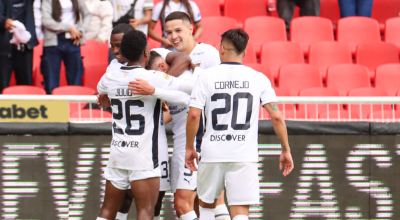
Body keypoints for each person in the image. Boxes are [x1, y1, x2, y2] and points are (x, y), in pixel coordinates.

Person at [185, 29, 294, 220]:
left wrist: (189, 147)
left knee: (207, 207)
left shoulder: (206, 76)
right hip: (244, 155)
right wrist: (285, 149)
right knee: (240, 212)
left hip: (212, 152)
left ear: (221, 50)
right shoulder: (258, 78)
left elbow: (194, 114)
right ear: (244, 52)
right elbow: (277, 117)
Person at [130, 11, 230, 220]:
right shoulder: (162, 55)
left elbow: (214, 97)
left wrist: (162, 87)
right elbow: (174, 110)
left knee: (198, 201)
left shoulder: (208, 54)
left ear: (191, 28)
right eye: (168, 32)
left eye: (178, 30)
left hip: (202, 139)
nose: (174, 36)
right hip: (183, 140)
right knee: (194, 203)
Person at [96, 29, 194, 220]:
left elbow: (101, 93)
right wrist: (154, 91)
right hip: (143, 156)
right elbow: (189, 95)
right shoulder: (152, 78)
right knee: (146, 211)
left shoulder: (110, 77)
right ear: (147, 52)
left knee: (107, 211)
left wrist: (111, 99)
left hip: (118, 152)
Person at [40, 0, 91, 94]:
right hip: (53, 42)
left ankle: (76, 106)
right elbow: (46, 20)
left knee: (75, 79)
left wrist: (81, 30)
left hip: (73, 40)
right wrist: (69, 28)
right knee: (51, 80)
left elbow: (87, 15)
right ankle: (53, 106)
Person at [0, 0, 38, 93]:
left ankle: (26, 107)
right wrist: (4, 21)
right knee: (2, 85)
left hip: (25, 47)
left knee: (25, 87)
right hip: (4, 48)